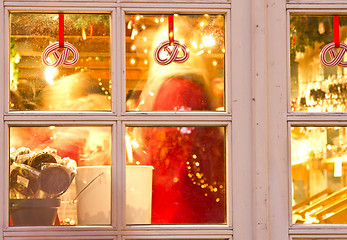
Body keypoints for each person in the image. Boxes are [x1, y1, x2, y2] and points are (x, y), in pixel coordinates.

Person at [128, 17, 225, 224]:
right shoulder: (186, 89)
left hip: (176, 208)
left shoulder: (172, 89)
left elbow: (169, 152)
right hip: (190, 209)